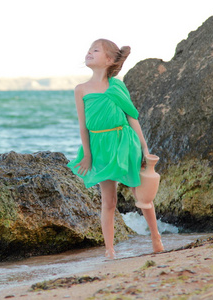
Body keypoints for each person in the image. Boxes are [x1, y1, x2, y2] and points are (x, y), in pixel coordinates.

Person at [67, 38, 164, 259]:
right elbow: (83, 127)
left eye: (95, 50)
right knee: (109, 201)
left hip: (124, 142)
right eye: (89, 50)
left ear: (109, 59)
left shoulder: (117, 85)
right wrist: (87, 155)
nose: (89, 52)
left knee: (141, 194)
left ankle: (155, 236)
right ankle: (109, 250)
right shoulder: (81, 89)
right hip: (99, 146)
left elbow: (132, 117)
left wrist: (144, 148)